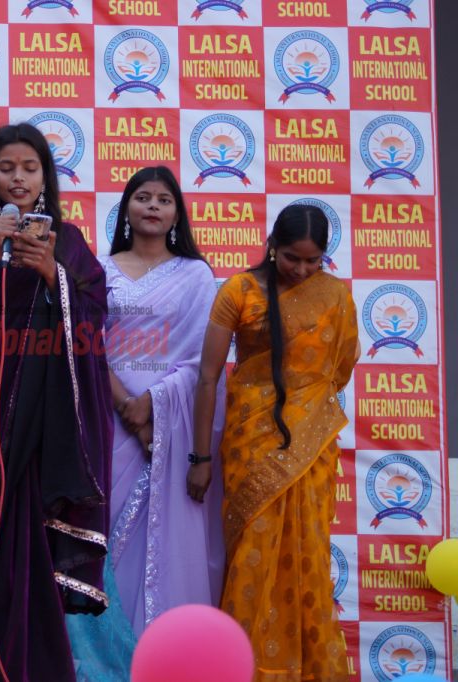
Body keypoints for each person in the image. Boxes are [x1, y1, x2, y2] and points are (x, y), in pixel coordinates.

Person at [0, 122, 112, 682]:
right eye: (6, 167)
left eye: (29, 168)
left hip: (46, 412)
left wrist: (51, 272)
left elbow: (94, 316)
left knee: (32, 530)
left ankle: (36, 667)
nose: (18, 178)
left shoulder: (69, 241)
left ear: (45, 176)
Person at [65, 166, 226, 674]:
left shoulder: (196, 275)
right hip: (103, 416)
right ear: (126, 208)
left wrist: (153, 402)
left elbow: (203, 360)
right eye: (142, 197)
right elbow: (85, 344)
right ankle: (101, 662)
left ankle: (165, 659)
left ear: (177, 214)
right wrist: (129, 410)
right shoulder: (98, 270)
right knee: (101, 534)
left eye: (163, 199)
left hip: (171, 427)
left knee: (162, 545)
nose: (152, 206)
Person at [190, 204, 359, 681]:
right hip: (251, 441)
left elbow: (339, 369)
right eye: (291, 258)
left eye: (312, 261)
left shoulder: (336, 296)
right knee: (252, 553)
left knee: (309, 551)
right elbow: (208, 378)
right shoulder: (239, 291)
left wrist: (304, 410)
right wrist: (200, 456)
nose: (302, 270)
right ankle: (241, 668)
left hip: (311, 445)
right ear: (271, 247)